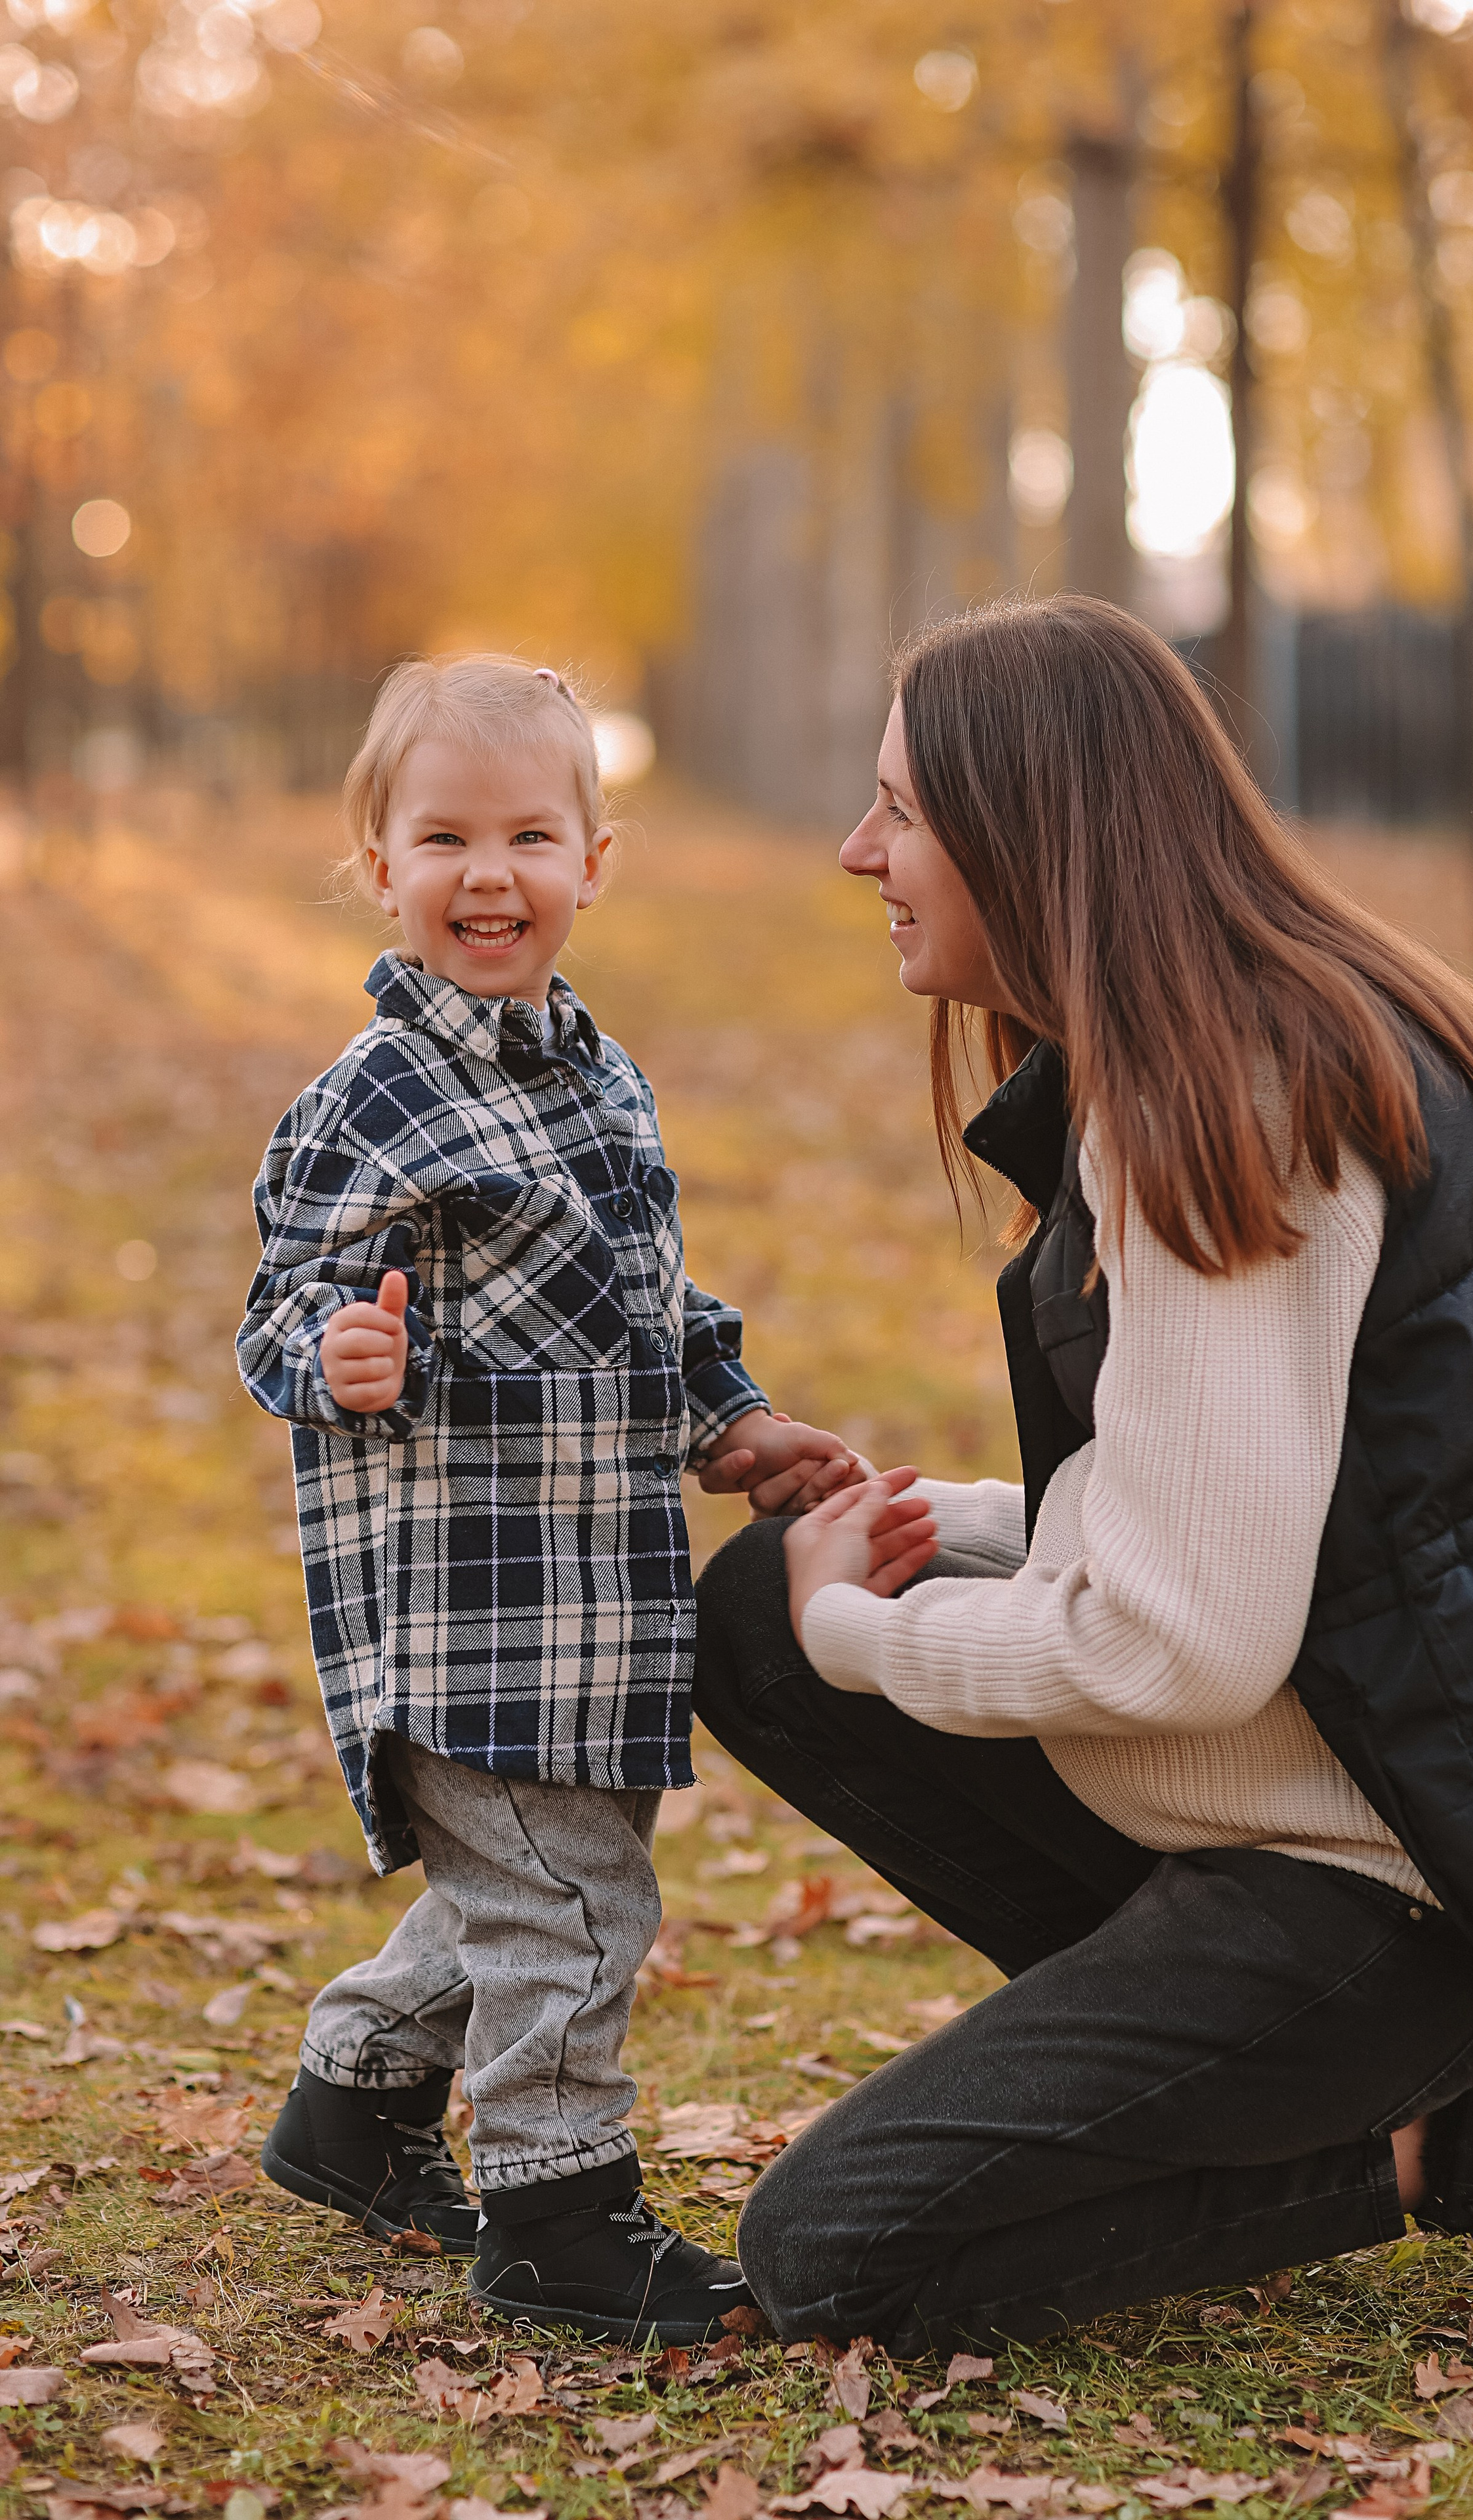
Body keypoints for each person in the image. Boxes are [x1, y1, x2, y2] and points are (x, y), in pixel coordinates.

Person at [693, 593, 1473, 2374]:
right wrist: (933, 1537)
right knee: (761, 1614)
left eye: (901, 811)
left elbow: (1182, 1650)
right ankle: (1260, 2064)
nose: (861, 853)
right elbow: (1299, 1504)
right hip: (1374, 1773)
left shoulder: (1229, 1109)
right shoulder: (1233, 1043)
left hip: (1407, 1873)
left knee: (835, 2249)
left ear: (1028, 834)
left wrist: (867, 1635)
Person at [238, 654, 858, 2343]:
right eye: (443, 837)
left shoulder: (597, 1073)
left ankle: (351, 2112)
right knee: (573, 1900)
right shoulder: (370, 1096)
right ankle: (556, 2209)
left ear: (596, 860)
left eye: (529, 834)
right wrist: (332, 1357)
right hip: (470, 1606)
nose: (487, 874)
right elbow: (284, 1297)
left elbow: (650, 1304)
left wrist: (730, 1420)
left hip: (602, 1595)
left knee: (521, 1889)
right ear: (381, 866)